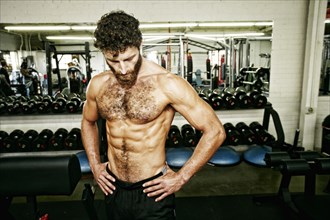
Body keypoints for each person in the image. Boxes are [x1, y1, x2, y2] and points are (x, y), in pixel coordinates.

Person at [81, 10, 226, 220]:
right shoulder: (98, 84)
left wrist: (181, 177)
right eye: (113, 61)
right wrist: (95, 166)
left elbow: (215, 131)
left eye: (129, 58)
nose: (122, 69)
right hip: (113, 187)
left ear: (139, 45)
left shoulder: (166, 83)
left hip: (153, 190)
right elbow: (88, 122)